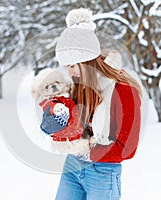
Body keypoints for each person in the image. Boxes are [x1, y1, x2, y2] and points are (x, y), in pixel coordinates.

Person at [54, 8, 142, 200]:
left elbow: (128, 147)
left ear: (86, 61)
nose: (69, 73)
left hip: (102, 171)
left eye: (71, 66)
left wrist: (89, 150)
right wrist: (55, 122)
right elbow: (72, 128)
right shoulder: (77, 87)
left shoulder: (123, 90)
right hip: (72, 165)